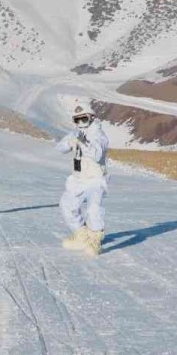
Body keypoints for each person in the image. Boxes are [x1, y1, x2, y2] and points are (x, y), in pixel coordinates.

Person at [55, 101, 109, 257]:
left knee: (93, 209)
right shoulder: (76, 133)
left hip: (95, 178)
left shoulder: (99, 135)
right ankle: (81, 235)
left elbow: (97, 154)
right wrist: (69, 143)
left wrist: (83, 144)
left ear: (91, 118)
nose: (80, 123)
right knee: (67, 205)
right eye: (76, 120)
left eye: (83, 119)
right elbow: (59, 148)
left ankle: (95, 239)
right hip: (78, 178)